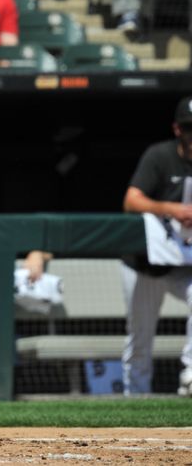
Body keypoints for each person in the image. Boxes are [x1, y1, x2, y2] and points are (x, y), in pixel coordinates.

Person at [121, 96, 192, 396]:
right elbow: (131, 201)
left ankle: (190, 373)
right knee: (141, 337)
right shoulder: (160, 156)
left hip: (184, 261)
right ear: (178, 129)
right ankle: (135, 398)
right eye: (190, 128)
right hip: (146, 265)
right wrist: (171, 208)